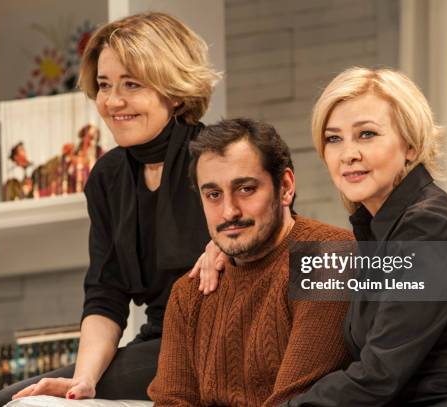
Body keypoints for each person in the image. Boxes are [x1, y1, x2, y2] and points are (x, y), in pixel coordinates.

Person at [0, 12, 220, 406]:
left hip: (222, 345)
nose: (113, 101)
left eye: (131, 84)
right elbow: (105, 294)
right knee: (11, 399)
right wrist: (84, 381)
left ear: (175, 90)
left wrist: (227, 246)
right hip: (160, 344)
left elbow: (277, 232)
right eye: (104, 85)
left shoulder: (223, 154)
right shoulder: (106, 178)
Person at [282, 67, 447, 405]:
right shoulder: (378, 233)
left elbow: (378, 376)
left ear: (411, 146)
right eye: (333, 138)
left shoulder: (431, 228)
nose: (348, 154)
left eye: (367, 134)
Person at [148, 118, 354, 406]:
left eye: (245, 189)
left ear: (285, 186)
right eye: (213, 195)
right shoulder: (188, 294)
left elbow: (296, 401)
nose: (229, 211)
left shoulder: (328, 257)